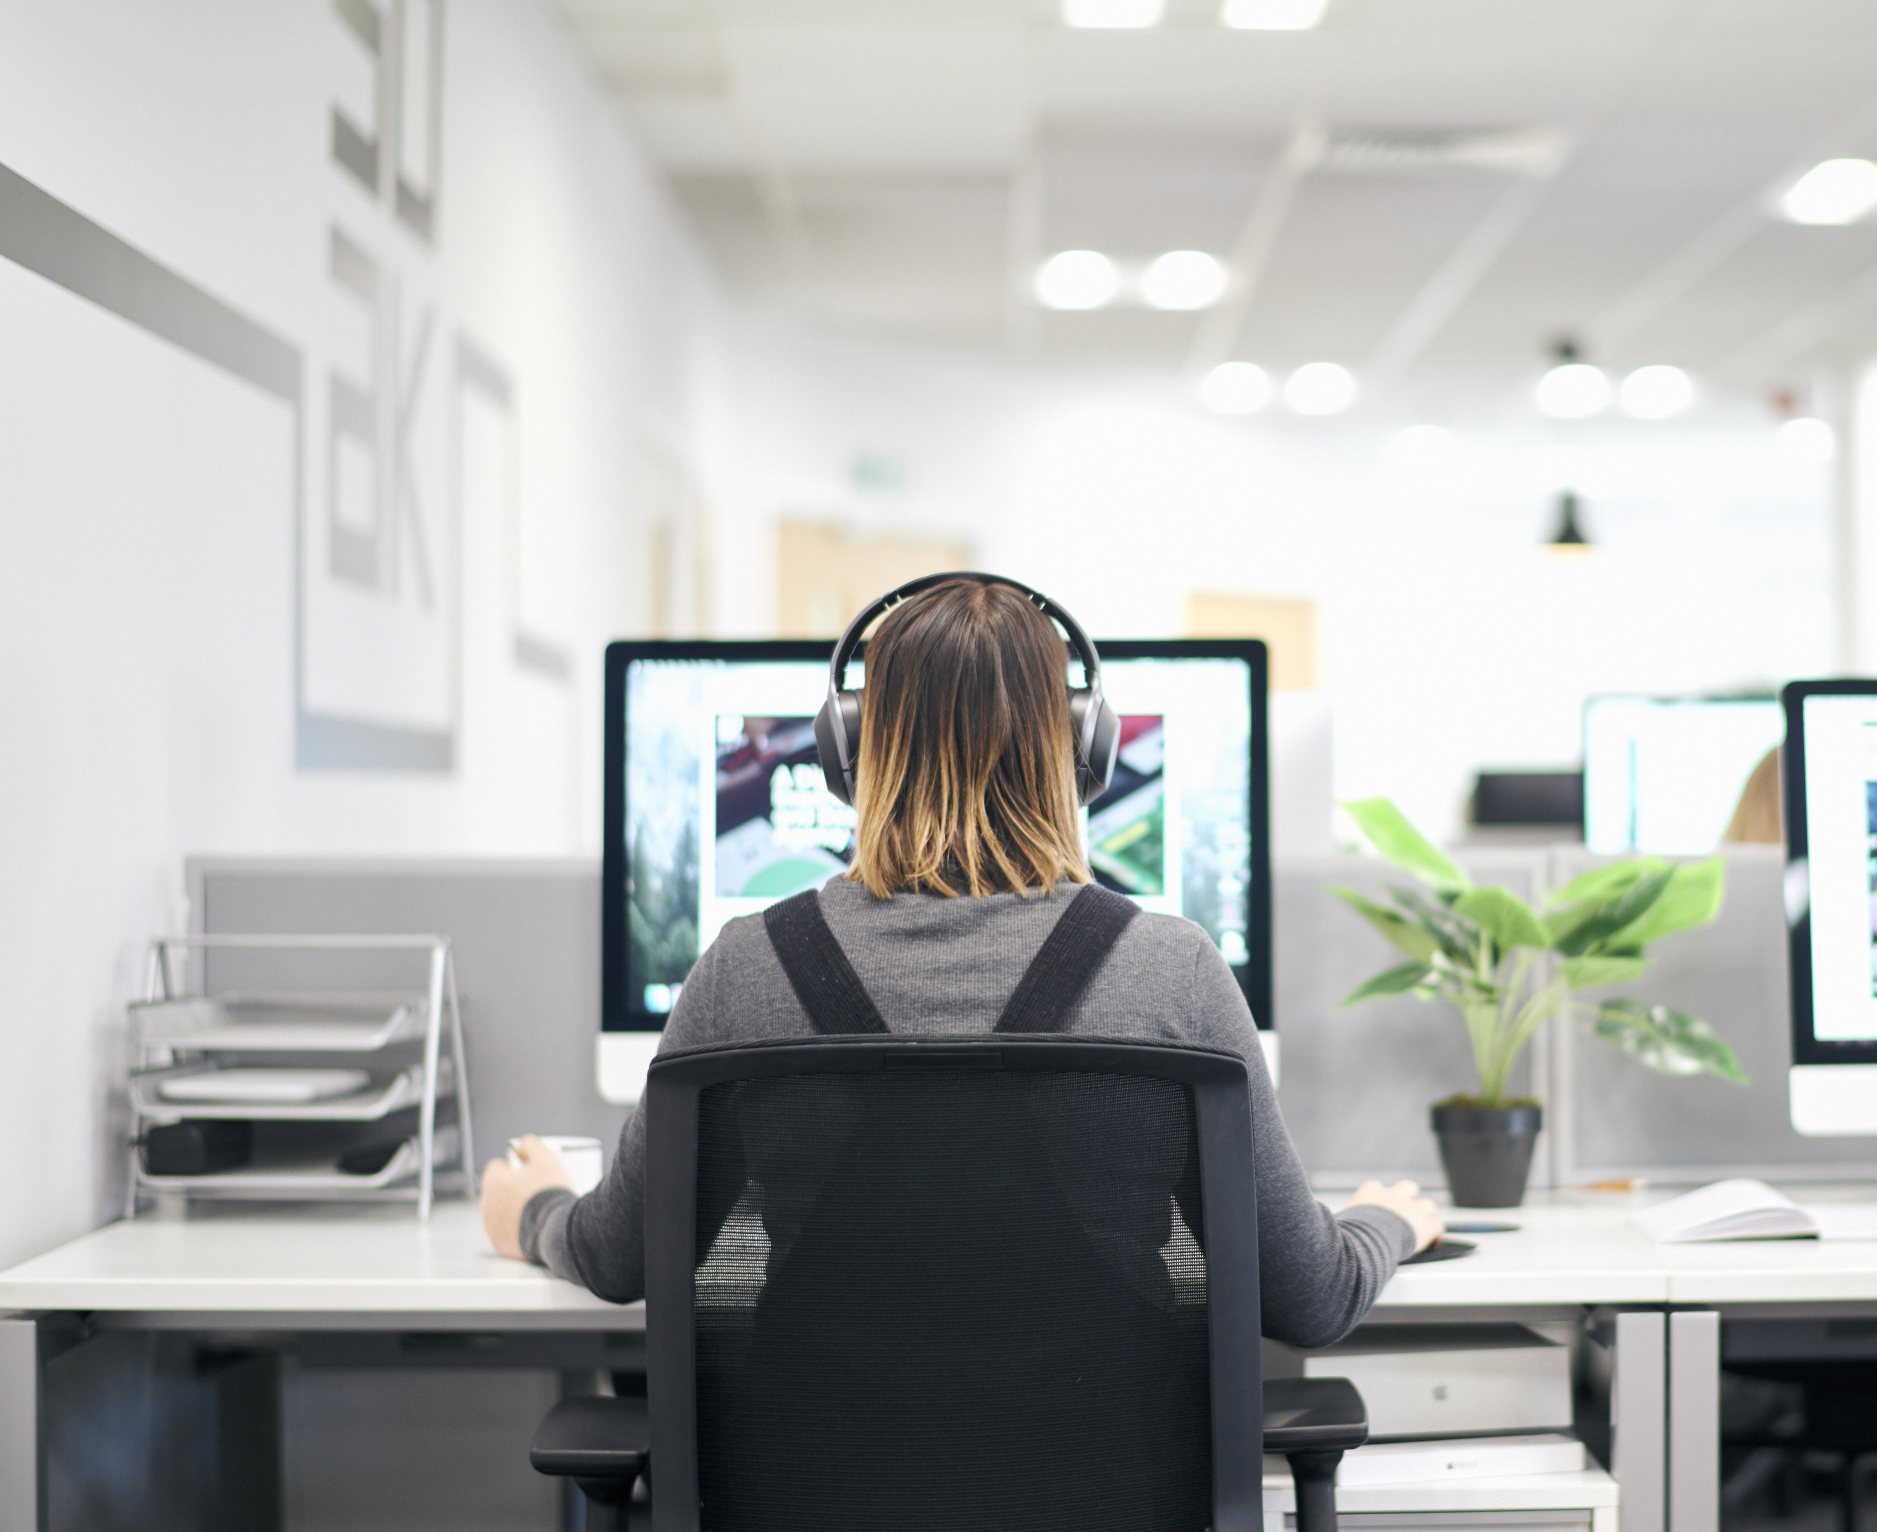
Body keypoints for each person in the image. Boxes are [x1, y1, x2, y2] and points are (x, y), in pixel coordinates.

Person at [478, 574, 1441, 1349]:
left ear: (849, 752)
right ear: (1084, 755)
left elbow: (614, 1259)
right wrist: (1383, 1220)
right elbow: (1312, 1299)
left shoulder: (747, 966)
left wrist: (538, 1212)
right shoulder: (1171, 970)